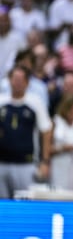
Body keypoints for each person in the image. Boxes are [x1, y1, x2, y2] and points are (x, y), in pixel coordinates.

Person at [0, 65, 52, 199]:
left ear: (27, 82)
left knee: (25, 201)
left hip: (26, 163)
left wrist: (45, 161)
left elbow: (46, 131)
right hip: (2, 162)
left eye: (20, 79)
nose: (17, 83)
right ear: (9, 80)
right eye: (14, 79)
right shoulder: (1, 101)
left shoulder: (35, 103)